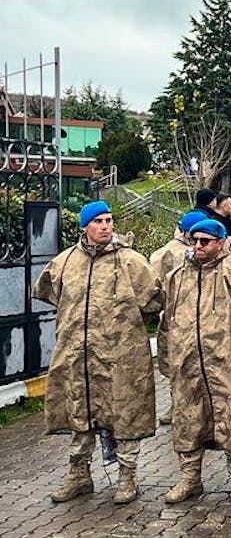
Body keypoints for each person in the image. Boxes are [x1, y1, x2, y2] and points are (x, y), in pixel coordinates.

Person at [33, 200, 163, 504]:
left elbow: (154, 302)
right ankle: (79, 475)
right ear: (85, 227)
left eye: (109, 220)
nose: (105, 226)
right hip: (77, 357)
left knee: (124, 416)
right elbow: (50, 293)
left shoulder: (131, 262)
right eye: (98, 221)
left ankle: (127, 478)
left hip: (121, 359)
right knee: (79, 413)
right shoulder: (64, 263)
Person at [159, 219, 231, 508]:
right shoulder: (178, 275)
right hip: (188, 364)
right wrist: (171, 357)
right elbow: (167, 319)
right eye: (194, 240)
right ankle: (190, 478)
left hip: (227, 362)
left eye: (205, 241)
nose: (198, 246)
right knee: (188, 421)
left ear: (221, 242)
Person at [149, 210, 210, 425]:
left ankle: (184, 408)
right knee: (183, 366)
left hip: (185, 318)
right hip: (181, 318)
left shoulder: (165, 253)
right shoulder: (170, 253)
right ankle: (182, 407)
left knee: (183, 366)